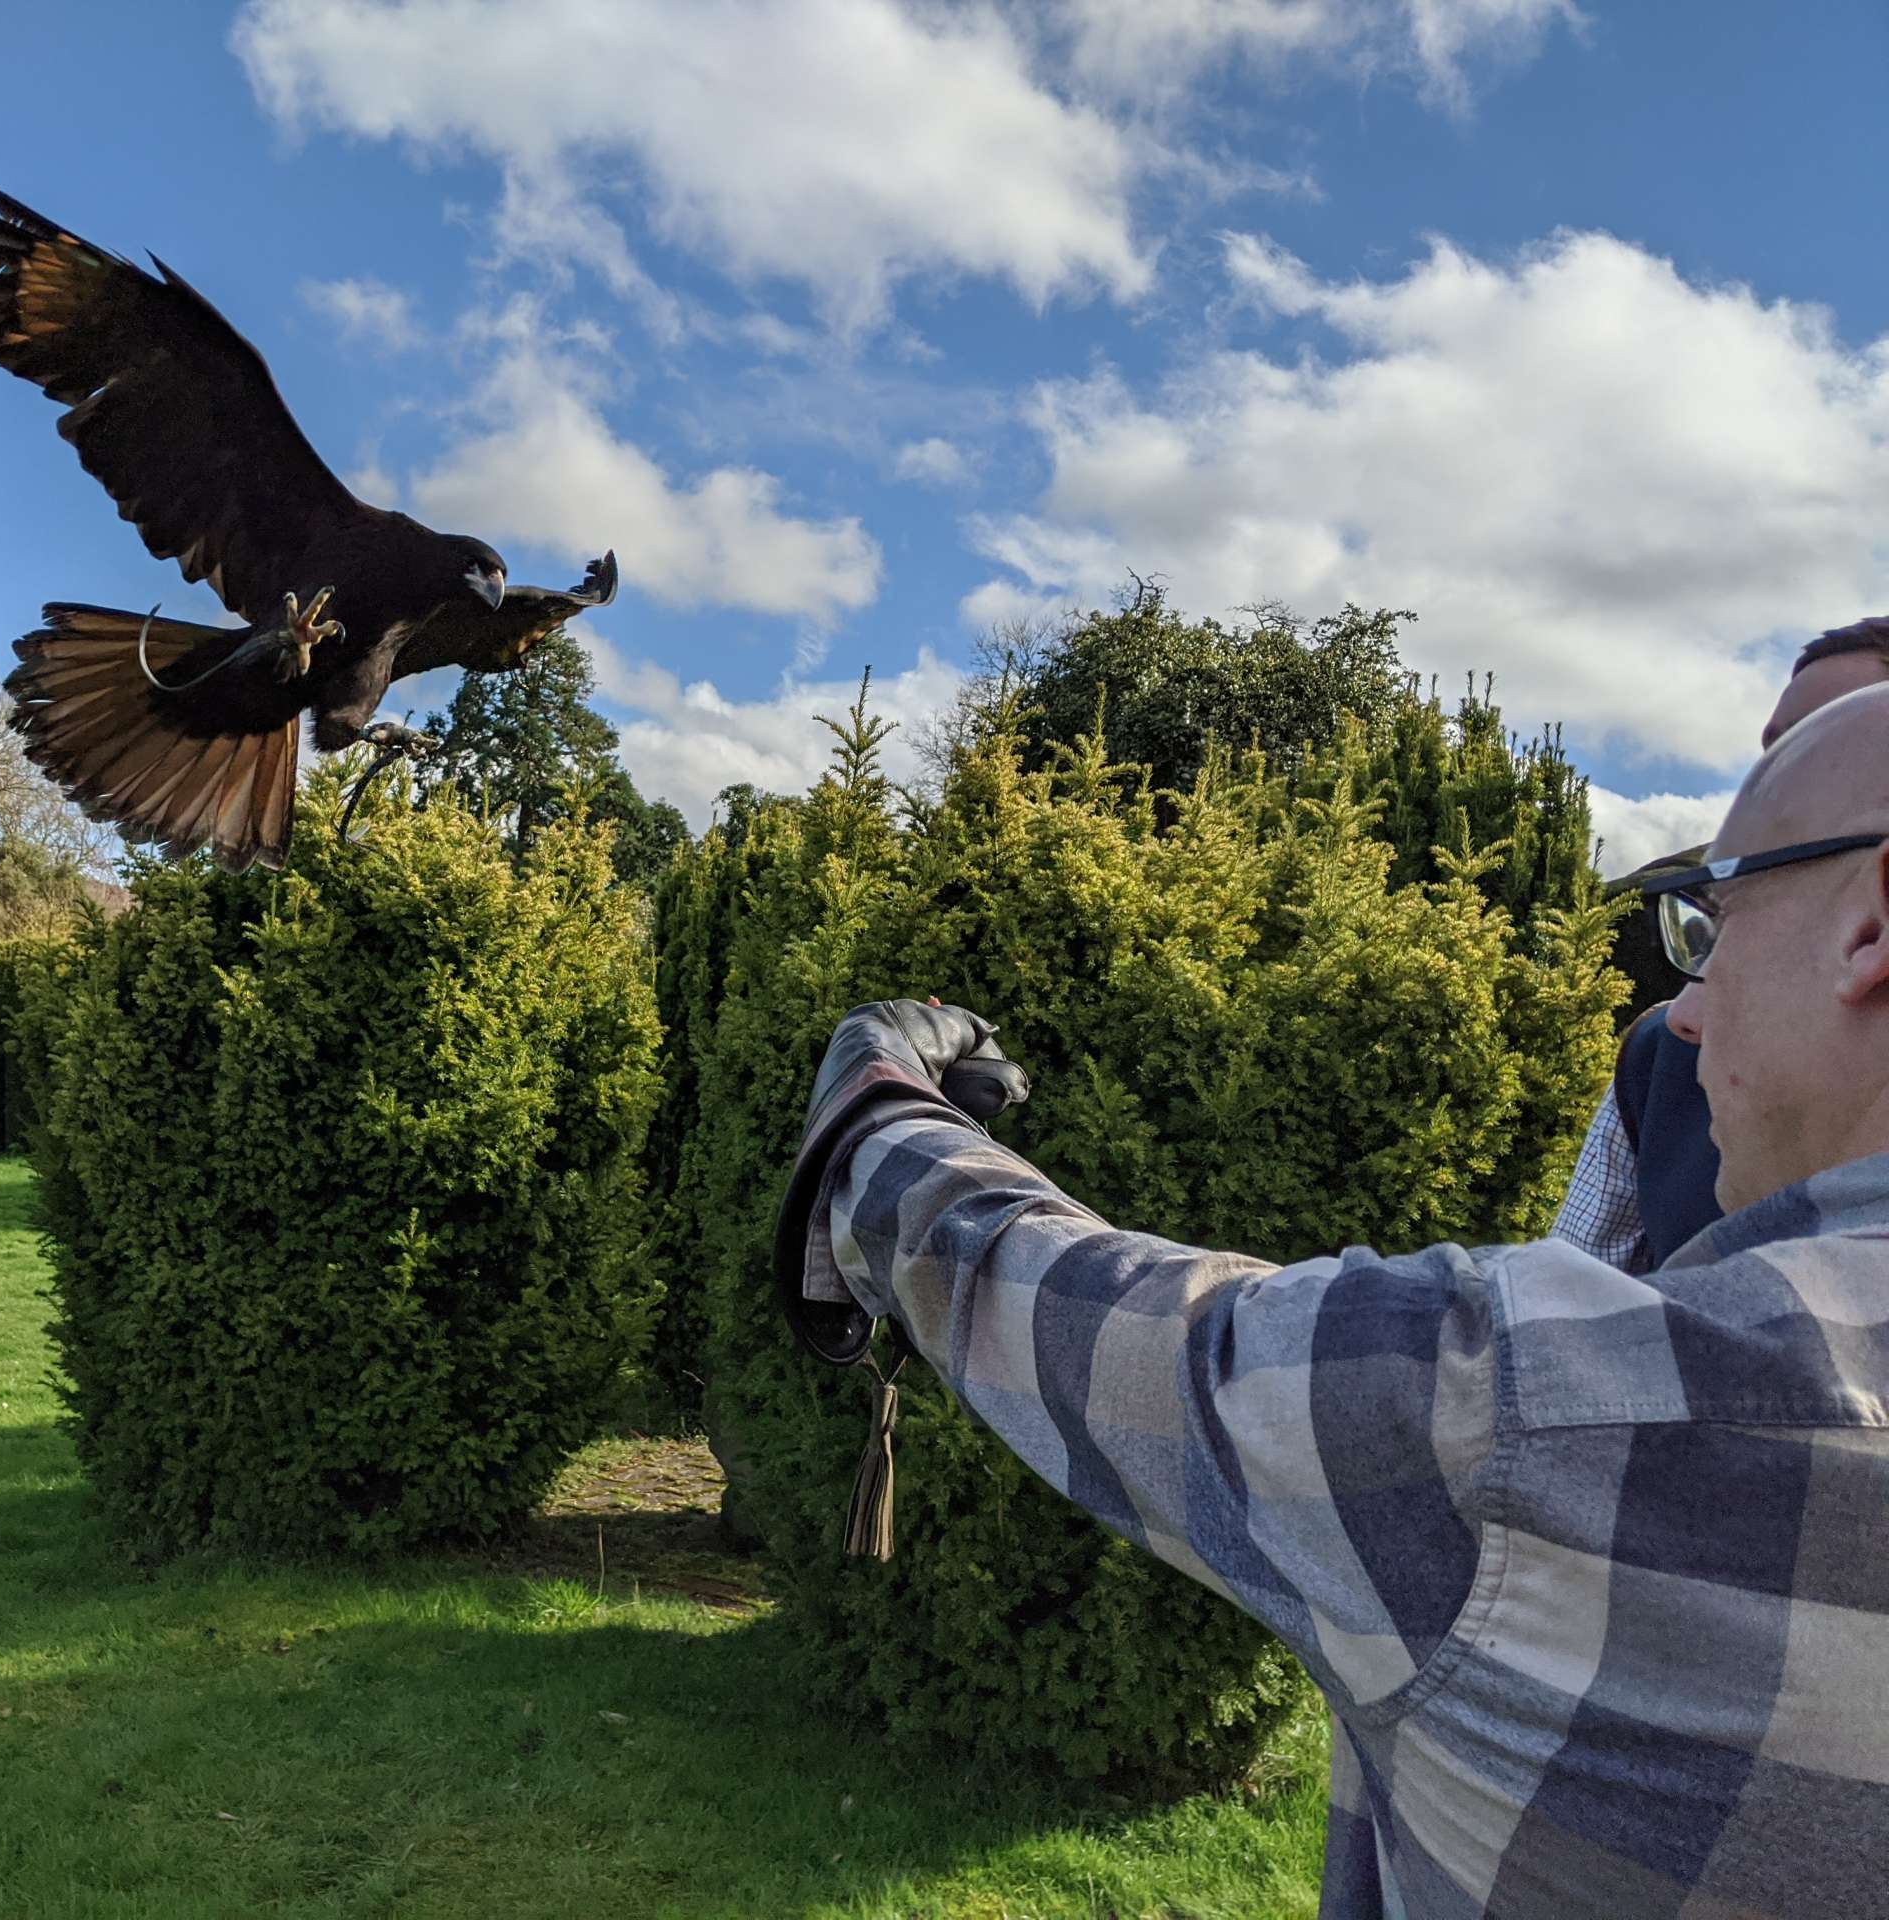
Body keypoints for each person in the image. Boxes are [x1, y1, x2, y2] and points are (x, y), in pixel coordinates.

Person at [779, 683, 1889, 1917]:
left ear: (1872, 923)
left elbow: (1081, 1318)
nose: (1681, 1008)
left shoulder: (1528, 1411)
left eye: (1713, 924)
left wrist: (875, 1102)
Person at [1555, 614, 1889, 1271]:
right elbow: (1566, 1301)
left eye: (1830, 738)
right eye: (1773, 749)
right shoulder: (1658, 1058)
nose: (1776, 775)